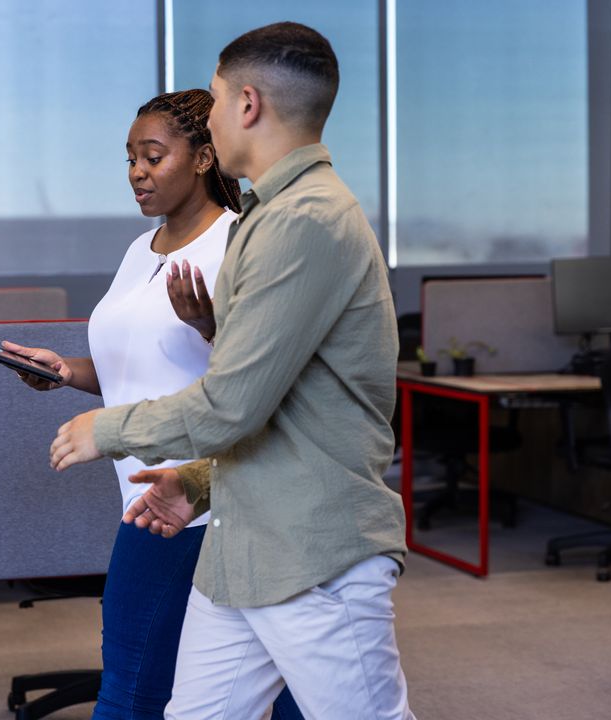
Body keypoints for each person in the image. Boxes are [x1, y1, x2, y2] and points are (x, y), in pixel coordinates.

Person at [48, 22, 415, 720]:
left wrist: (108, 429)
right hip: (242, 541)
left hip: (314, 552)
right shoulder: (267, 219)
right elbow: (284, 404)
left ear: (248, 104)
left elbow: (233, 402)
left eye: (214, 101)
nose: (210, 117)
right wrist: (195, 482)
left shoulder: (306, 222)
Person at [3, 89, 302, 720]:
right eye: (130, 158)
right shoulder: (142, 249)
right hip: (146, 489)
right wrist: (66, 371)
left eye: (153, 155)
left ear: (201, 159)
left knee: (132, 689)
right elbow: (135, 367)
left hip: (196, 493)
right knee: (262, 687)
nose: (137, 171)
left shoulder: (237, 244)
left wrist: (212, 327)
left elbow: (275, 382)